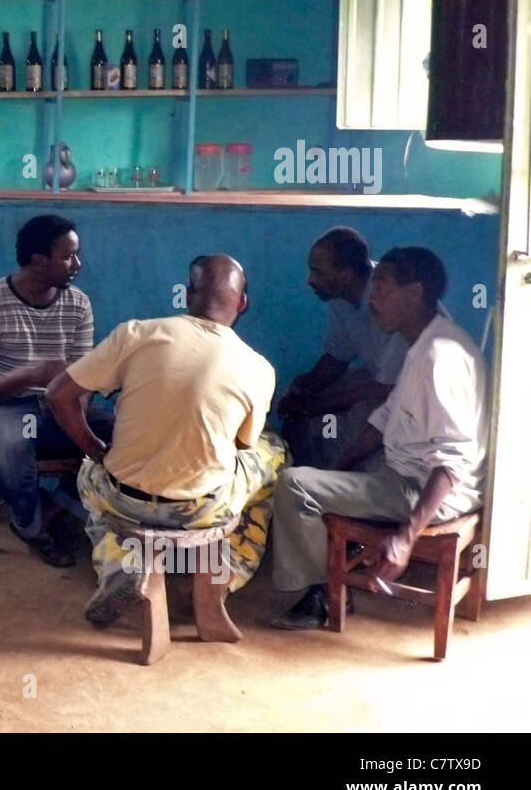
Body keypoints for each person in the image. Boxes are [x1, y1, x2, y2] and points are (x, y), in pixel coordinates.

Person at [46, 255, 288, 625]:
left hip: (125, 498)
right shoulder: (258, 368)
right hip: (202, 507)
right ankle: (224, 578)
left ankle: (120, 565)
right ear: (242, 303)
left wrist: (96, 450)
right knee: (275, 452)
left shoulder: (136, 334)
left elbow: (58, 394)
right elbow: (243, 444)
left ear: (188, 294)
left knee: (88, 477)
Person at [269, 246, 488, 630]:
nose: (372, 298)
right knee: (322, 463)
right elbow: (385, 419)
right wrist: (339, 467)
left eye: (382, 288)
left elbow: (452, 461)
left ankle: (324, 593)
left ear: (415, 293)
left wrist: (405, 536)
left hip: (426, 489)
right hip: (404, 469)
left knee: (292, 484)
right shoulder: (424, 341)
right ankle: (341, 553)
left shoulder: (439, 357)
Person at [0, 214, 114, 568]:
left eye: (76, 255)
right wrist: (36, 373)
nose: (77, 264)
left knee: (127, 437)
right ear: (38, 260)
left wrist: (71, 408)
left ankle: (54, 507)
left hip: (61, 405)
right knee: (8, 452)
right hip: (2, 407)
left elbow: (84, 379)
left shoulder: (78, 303)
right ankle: (31, 526)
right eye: (68, 257)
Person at [276, 227, 406, 468]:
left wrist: (310, 407)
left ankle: (338, 476)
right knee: (314, 396)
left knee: (357, 419)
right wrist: (302, 388)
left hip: (404, 396)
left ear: (345, 275)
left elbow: (382, 388)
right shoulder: (342, 298)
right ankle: (301, 468)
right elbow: (337, 357)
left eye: (317, 272)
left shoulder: (391, 301)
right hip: (377, 380)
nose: (310, 280)